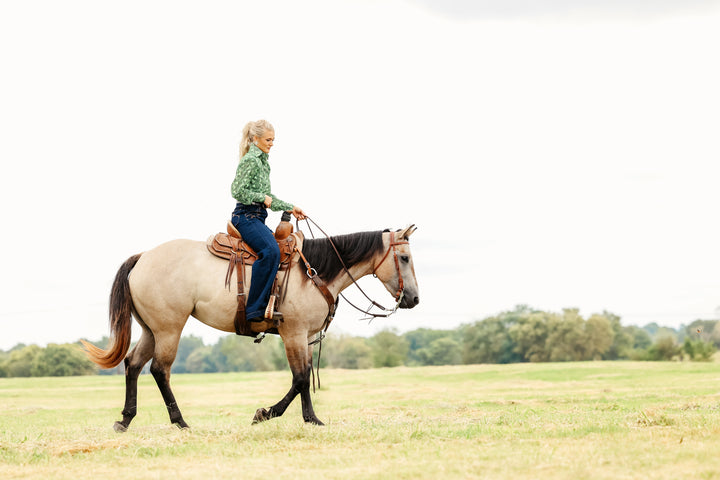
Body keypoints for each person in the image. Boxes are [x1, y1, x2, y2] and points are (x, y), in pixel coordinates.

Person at [230, 119, 306, 322]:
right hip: (245, 217)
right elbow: (236, 191)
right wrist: (262, 198)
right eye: (268, 139)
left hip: (257, 217)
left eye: (273, 140)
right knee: (270, 250)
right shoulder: (251, 161)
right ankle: (254, 310)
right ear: (255, 139)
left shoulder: (263, 162)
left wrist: (290, 207)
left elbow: (268, 196)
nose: (272, 143)